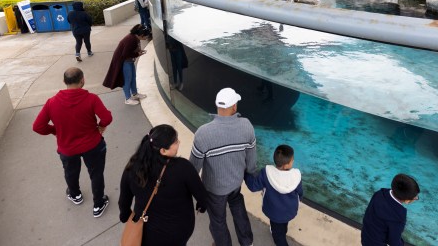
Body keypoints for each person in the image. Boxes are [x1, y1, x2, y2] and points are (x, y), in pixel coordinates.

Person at [32, 67, 112, 217]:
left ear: (64, 82)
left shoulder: (51, 103)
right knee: (96, 174)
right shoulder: (92, 99)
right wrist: (100, 127)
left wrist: (55, 131)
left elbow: (37, 127)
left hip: (67, 148)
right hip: (93, 145)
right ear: (83, 80)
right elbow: (107, 118)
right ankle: (98, 204)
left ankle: (75, 195)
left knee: (70, 172)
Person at [119, 124, 209, 246]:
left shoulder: (132, 168)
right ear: (163, 150)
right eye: (175, 142)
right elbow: (202, 196)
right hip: (178, 232)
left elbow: (124, 201)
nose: (179, 142)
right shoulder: (183, 168)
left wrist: (126, 216)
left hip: (147, 233)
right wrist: (201, 207)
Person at [189, 87, 257, 246]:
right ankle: (247, 242)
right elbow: (252, 160)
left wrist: (196, 193)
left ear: (217, 106)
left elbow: (193, 168)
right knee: (237, 206)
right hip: (235, 183)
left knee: (218, 220)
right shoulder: (247, 125)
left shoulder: (203, 133)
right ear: (234, 107)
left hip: (214, 189)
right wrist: (251, 174)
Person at [245, 144, 303, 246]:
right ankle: (281, 232)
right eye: (292, 160)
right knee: (283, 225)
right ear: (286, 165)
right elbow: (300, 193)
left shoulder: (266, 173)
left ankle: (279, 236)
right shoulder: (296, 176)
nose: (293, 161)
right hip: (289, 211)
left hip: (274, 211)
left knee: (278, 235)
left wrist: (246, 173)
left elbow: (253, 186)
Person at [361, 173, 420, 246]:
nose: (416, 198)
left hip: (365, 237)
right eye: (415, 197)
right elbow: (394, 242)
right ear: (407, 200)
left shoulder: (379, 193)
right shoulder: (398, 216)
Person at [102, 24, 149, 105]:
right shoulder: (131, 40)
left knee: (133, 77)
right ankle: (127, 98)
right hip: (124, 62)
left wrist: (138, 52)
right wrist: (138, 54)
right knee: (127, 80)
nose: (146, 38)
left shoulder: (134, 37)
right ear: (141, 35)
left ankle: (134, 93)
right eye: (145, 36)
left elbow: (131, 51)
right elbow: (125, 54)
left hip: (129, 61)